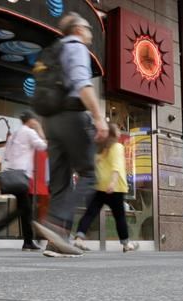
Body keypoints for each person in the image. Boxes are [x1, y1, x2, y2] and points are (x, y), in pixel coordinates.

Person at [33, 12, 110, 258]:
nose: (90, 34)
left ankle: (56, 243)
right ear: (77, 30)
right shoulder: (76, 47)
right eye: (88, 28)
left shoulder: (55, 50)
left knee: (60, 183)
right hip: (72, 116)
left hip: (51, 120)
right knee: (89, 174)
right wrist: (99, 117)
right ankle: (56, 224)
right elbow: (81, 83)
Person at [73, 123, 138, 253]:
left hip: (100, 187)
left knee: (90, 213)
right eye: (117, 130)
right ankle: (126, 244)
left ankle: (79, 238)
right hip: (115, 188)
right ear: (113, 134)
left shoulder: (99, 149)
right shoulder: (117, 147)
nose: (120, 131)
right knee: (119, 216)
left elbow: (94, 166)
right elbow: (116, 166)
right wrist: (113, 183)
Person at [0, 111, 47, 251]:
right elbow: (43, 146)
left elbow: (7, 156)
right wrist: (40, 130)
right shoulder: (29, 132)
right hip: (21, 176)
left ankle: (28, 242)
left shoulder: (14, 134)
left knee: (25, 209)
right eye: (35, 120)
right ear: (31, 120)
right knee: (24, 208)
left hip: (12, 174)